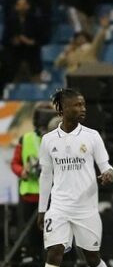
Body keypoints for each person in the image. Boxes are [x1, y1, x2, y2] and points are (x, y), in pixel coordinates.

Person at [31, 89, 113, 267]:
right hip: (59, 207)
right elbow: (46, 176)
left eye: (83, 104)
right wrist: (42, 209)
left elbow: (106, 166)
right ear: (62, 109)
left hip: (86, 209)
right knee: (54, 253)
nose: (83, 109)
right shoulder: (49, 140)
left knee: (92, 258)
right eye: (77, 105)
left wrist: (109, 174)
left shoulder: (92, 137)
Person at [10, 104, 56, 256]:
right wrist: (22, 171)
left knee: (53, 237)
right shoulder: (26, 139)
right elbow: (15, 163)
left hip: (52, 197)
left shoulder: (58, 140)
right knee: (31, 238)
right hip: (30, 196)